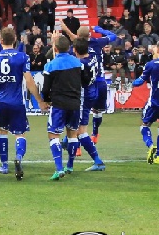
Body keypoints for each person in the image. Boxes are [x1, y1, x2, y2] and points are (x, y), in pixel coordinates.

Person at [0, 27, 47, 180]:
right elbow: (29, 81)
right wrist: (39, 100)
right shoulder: (22, 57)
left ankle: (4, 165)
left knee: (2, 131)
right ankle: (19, 157)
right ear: (14, 40)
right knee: (20, 133)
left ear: (1, 41)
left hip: (1, 102)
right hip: (16, 102)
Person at [41, 32, 90, 181]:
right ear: (69, 48)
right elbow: (86, 81)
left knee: (53, 135)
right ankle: (70, 165)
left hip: (59, 105)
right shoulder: (78, 63)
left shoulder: (50, 65)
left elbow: (45, 89)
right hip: (75, 104)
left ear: (55, 49)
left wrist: (47, 100)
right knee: (72, 134)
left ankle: (59, 168)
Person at [60, 23, 117, 144]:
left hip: (84, 85)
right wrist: (100, 29)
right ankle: (95, 133)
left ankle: (72, 140)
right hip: (100, 82)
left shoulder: (75, 49)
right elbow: (113, 36)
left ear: (78, 36)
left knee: (78, 113)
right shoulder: (98, 42)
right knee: (98, 111)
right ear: (89, 35)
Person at [71, 38, 107, 172]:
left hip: (83, 97)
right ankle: (67, 143)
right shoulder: (92, 57)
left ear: (75, 50)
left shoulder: (80, 64)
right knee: (76, 128)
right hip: (91, 93)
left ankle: (97, 160)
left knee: (81, 132)